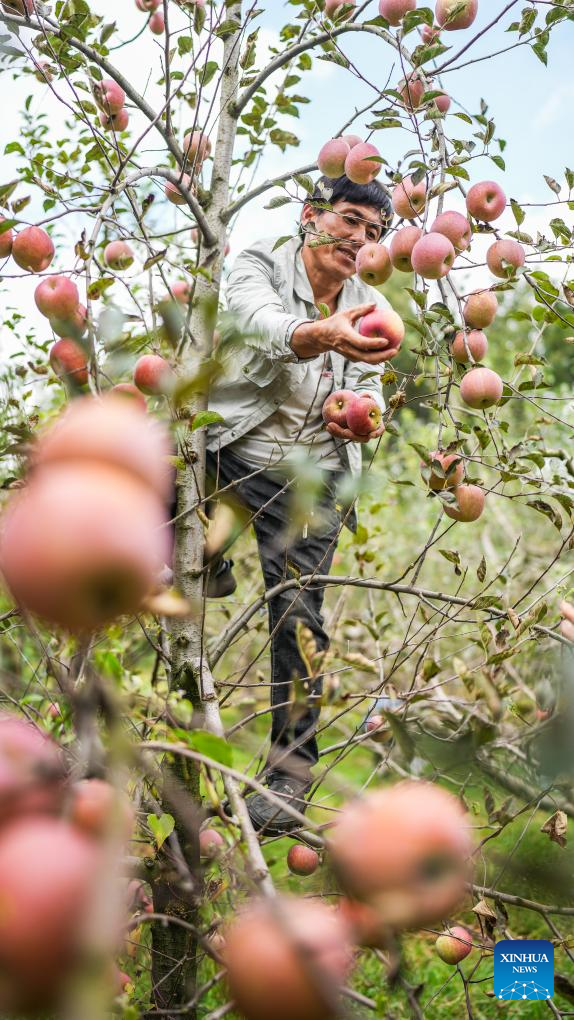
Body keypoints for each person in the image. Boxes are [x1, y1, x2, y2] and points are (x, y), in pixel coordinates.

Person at [204, 173, 397, 834]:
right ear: (312, 215)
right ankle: (208, 556)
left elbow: (369, 383)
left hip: (312, 476)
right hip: (237, 452)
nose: (360, 239)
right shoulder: (260, 259)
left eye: (374, 233)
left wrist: (365, 415)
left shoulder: (370, 302)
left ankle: (290, 779)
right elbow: (256, 323)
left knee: (297, 615)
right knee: (154, 448)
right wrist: (320, 334)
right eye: (349, 220)